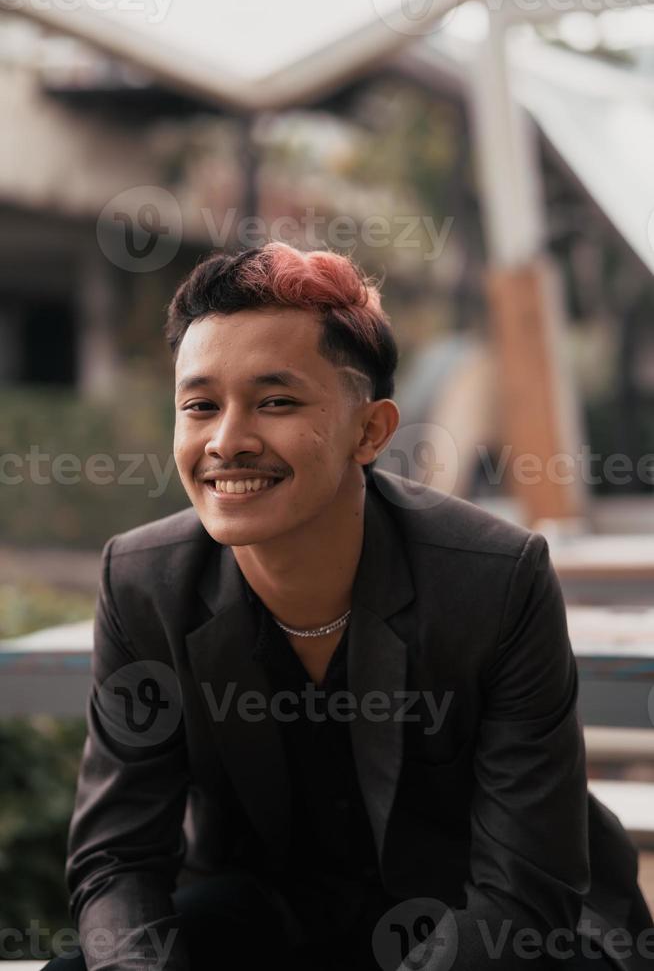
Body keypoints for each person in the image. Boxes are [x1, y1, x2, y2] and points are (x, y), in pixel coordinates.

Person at [45, 242, 653, 971]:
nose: (228, 440)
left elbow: (526, 888)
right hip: (273, 918)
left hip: (483, 928)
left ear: (370, 431)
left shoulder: (496, 579)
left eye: (276, 402)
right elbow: (117, 860)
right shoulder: (144, 581)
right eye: (200, 405)